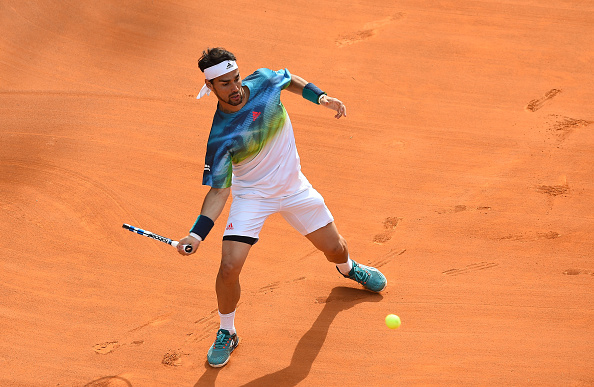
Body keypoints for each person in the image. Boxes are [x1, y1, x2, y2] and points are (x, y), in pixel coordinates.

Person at [177, 47, 387, 368]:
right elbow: (220, 192)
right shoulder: (220, 137)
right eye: (224, 84)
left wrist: (321, 97)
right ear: (210, 87)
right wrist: (197, 233)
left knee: (335, 248)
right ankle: (227, 331)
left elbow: (289, 81)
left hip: (294, 189)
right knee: (229, 268)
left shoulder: (262, 81)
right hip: (252, 198)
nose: (234, 89)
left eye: (235, 79)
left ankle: (348, 269)